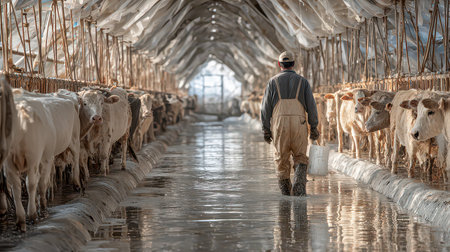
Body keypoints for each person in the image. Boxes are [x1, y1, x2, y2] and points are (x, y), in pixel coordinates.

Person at [261, 51, 319, 196]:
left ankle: (286, 194)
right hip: (299, 124)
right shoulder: (303, 82)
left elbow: (265, 108)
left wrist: (266, 130)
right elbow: (311, 107)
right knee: (300, 156)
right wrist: (314, 127)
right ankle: (299, 190)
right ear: (294, 64)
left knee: (281, 158)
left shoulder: (272, 82)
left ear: (279, 65)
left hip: (280, 126)